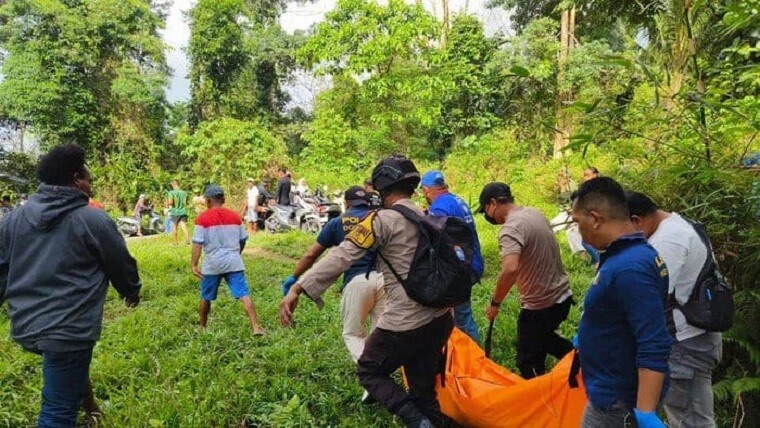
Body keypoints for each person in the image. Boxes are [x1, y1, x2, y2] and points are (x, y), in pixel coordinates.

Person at [280, 155, 454, 428]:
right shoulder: (426, 216)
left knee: (369, 370)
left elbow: (341, 256)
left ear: (383, 188)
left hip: (405, 322)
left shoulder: (380, 221)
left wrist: (299, 286)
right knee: (422, 390)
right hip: (440, 318)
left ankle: (414, 419)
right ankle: (429, 418)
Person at [0, 144, 141, 426]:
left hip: (27, 325)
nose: (91, 185)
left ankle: (92, 410)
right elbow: (119, 261)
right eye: (88, 179)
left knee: (67, 365)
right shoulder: (93, 219)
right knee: (57, 410)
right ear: (76, 179)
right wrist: (131, 290)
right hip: (68, 329)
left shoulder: (11, 220)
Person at [571, 177, 671, 428]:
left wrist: (645, 412)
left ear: (595, 218)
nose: (577, 231)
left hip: (618, 402)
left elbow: (653, 341)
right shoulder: (628, 255)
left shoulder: (630, 268)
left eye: (577, 222)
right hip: (611, 388)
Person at [281, 185, 387, 400]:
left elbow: (312, 254)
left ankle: (374, 378)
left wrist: (295, 278)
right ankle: (379, 376)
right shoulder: (379, 219)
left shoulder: (337, 223)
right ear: (367, 202)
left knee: (353, 333)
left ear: (346, 204)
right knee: (381, 334)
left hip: (357, 282)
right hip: (386, 281)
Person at [627, 191, 721, 428]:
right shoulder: (676, 224)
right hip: (693, 336)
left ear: (636, 220)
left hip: (686, 343)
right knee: (688, 415)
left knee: (692, 420)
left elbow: (648, 298)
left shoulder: (668, 241)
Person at [478, 182, 574, 379]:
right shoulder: (534, 213)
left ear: (494, 203)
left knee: (528, 360)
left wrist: (495, 303)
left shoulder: (511, 228)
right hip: (563, 296)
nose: (487, 215)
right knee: (544, 339)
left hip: (540, 305)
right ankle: (581, 359)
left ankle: (540, 398)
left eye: (486, 209)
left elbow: (510, 269)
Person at [191, 185, 265, 336]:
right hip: (234, 262)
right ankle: (256, 327)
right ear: (223, 199)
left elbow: (197, 243)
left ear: (208, 201)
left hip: (212, 264)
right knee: (244, 294)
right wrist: (238, 253)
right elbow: (243, 239)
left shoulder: (201, 219)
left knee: (206, 296)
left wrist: (194, 264)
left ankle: (202, 327)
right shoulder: (235, 216)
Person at [420, 170, 484, 343]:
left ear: (426, 190)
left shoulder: (439, 207)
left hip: (459, 269)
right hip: (472, 262)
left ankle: (475, 359)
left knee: (461, 318)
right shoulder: (457, 200)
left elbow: (435, 241)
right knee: (460, 314)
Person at [166, 180, 190, 245]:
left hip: (175, 212)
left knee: (174, 226)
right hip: (183, 211)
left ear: (173, 185)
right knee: (184, 225)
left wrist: (166, 203)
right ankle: (187, 239)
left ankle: (175, 242)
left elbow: (171, 203)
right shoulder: (184, 193)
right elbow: (186, 203)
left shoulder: (171, 192)